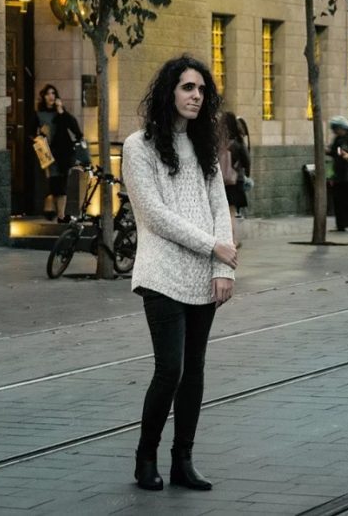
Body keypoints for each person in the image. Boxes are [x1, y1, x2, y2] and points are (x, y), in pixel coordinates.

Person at [122, 54, 237, 492]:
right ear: (168, 92)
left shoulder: (203, 145)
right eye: (188, 87)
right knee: (170, 369)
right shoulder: (139, 146)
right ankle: (145, 457)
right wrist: (212, 246)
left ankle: (182, 460)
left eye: (202, 89)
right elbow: (154, 215)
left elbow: (219, 208)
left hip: (203, 278)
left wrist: (223, 267)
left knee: (194, 372)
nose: (196, 96)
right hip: (161, 273)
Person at [34, 84, 84, 222]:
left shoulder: (61, 113)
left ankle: (60, 215)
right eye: (48, 94)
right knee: (53, 182)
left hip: (63, 153)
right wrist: (40, 135)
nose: (51, 96)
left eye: (53, 93)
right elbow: (32, 133)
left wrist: (61, 111)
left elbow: (74, 127)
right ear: (44, 97)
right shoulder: (39, 114)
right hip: (46, 152)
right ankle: (50, 206)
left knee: (61, 183)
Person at [221, 112, 251, 244]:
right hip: (235, 181)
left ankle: (227, 239)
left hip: (222, 181)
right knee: (231, 212)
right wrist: (246, 174)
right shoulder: (238, 143)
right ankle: (233, 240)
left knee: (225, 212)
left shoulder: (220, 143)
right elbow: (246, 161)